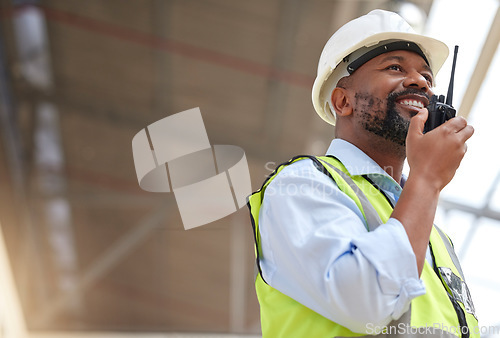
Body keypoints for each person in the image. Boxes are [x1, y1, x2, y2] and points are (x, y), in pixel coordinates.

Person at [247, 9, 479, 338]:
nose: (419, 82)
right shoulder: (302, 185)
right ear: (343, 101)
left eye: (428, 77)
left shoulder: (437, 238)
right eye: (395, 67)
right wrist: (425, 179)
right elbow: (366, 301)